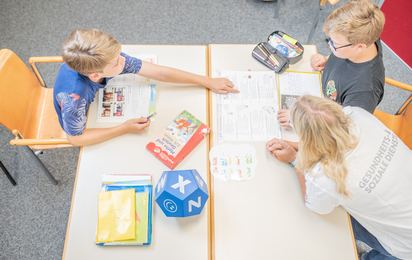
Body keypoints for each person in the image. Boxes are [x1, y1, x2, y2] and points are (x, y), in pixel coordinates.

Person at [266, 95, 412, 260]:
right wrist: (297, 147)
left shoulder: (327, 178)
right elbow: (333, 138)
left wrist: (296, 160)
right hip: (403, 203)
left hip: (405, 244)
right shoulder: (358, 115)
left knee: (335, 221)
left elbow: (315, 205)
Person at [54, 29, 239, 146]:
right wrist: (124, 128)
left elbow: (160, 73)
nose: (124, 61)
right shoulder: (74, 98)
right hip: (81, 116)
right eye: (116, 62)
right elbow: (75, 139)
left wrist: (207, 81)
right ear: (95, 75)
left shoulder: (107, 58)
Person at [277, 0, 385, 126]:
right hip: (321, 93)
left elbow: (343, 129)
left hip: (325, 121)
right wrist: (327, 59)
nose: (330, 45)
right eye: (329, 39)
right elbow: (343, 57)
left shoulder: (364, 92)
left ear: (360, 47)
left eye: (335, 44)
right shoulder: (365, 39)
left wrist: (300, 118)